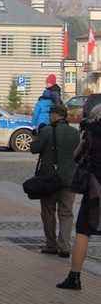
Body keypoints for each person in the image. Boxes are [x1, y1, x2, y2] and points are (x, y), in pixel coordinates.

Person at [56, 103, 101, 291]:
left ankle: (74, 276)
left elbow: (77, 155)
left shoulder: (92, 130)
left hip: (95, 188)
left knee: (84, 230)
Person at [30, 104, 80, 258]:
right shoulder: (75, 133)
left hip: (50, 178)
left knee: (48, 211)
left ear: (53, 116)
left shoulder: (47, 131)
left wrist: (36, 135)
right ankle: (64, 246)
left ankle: (51, 245)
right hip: (69, 179)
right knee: (66, 213)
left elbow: (34, 148)